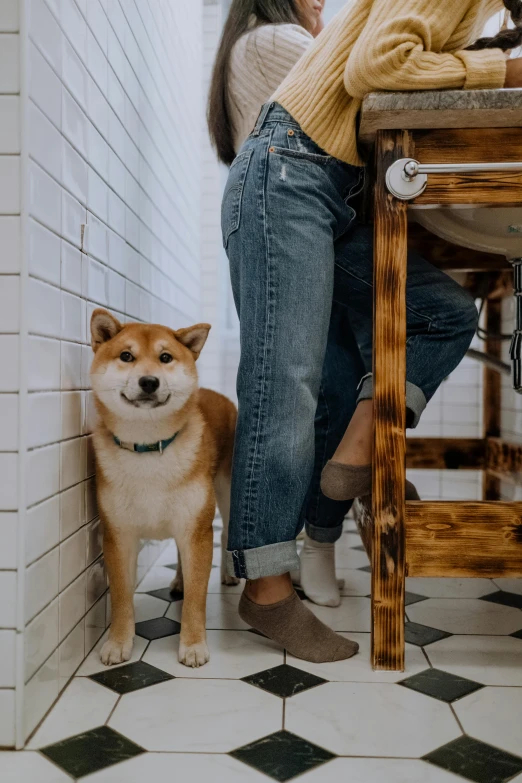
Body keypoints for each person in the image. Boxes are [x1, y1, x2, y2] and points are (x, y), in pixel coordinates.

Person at [214, 0, 522, 664]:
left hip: (339, 189)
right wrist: (506, 68)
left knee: (443, 313)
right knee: (285, 383)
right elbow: (378, 64)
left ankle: (353, 455)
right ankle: (266, 590)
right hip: (289, 170)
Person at [209, 0, 352, 612]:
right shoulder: (274, 38)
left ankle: (318, 534)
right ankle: (267, 584)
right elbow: (358, 95)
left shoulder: (270, 41)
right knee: (286, 383)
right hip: (286, 196)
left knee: (342, 376)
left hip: (314, 206)